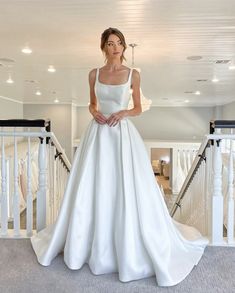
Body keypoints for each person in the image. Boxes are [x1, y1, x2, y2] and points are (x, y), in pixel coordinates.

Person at [31, 27, 208, 287]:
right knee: (94, 185)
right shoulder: (94, 74)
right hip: (98, 133)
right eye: (110, 43)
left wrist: (122, 114)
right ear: (103, 47)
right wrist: (94, 112)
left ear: (124, 47)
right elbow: (92, 103)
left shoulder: (133, 75)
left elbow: (137, 107)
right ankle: (89, 243)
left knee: (126, 186)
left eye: (119, 43)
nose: (115, 48)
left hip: (121, 133)